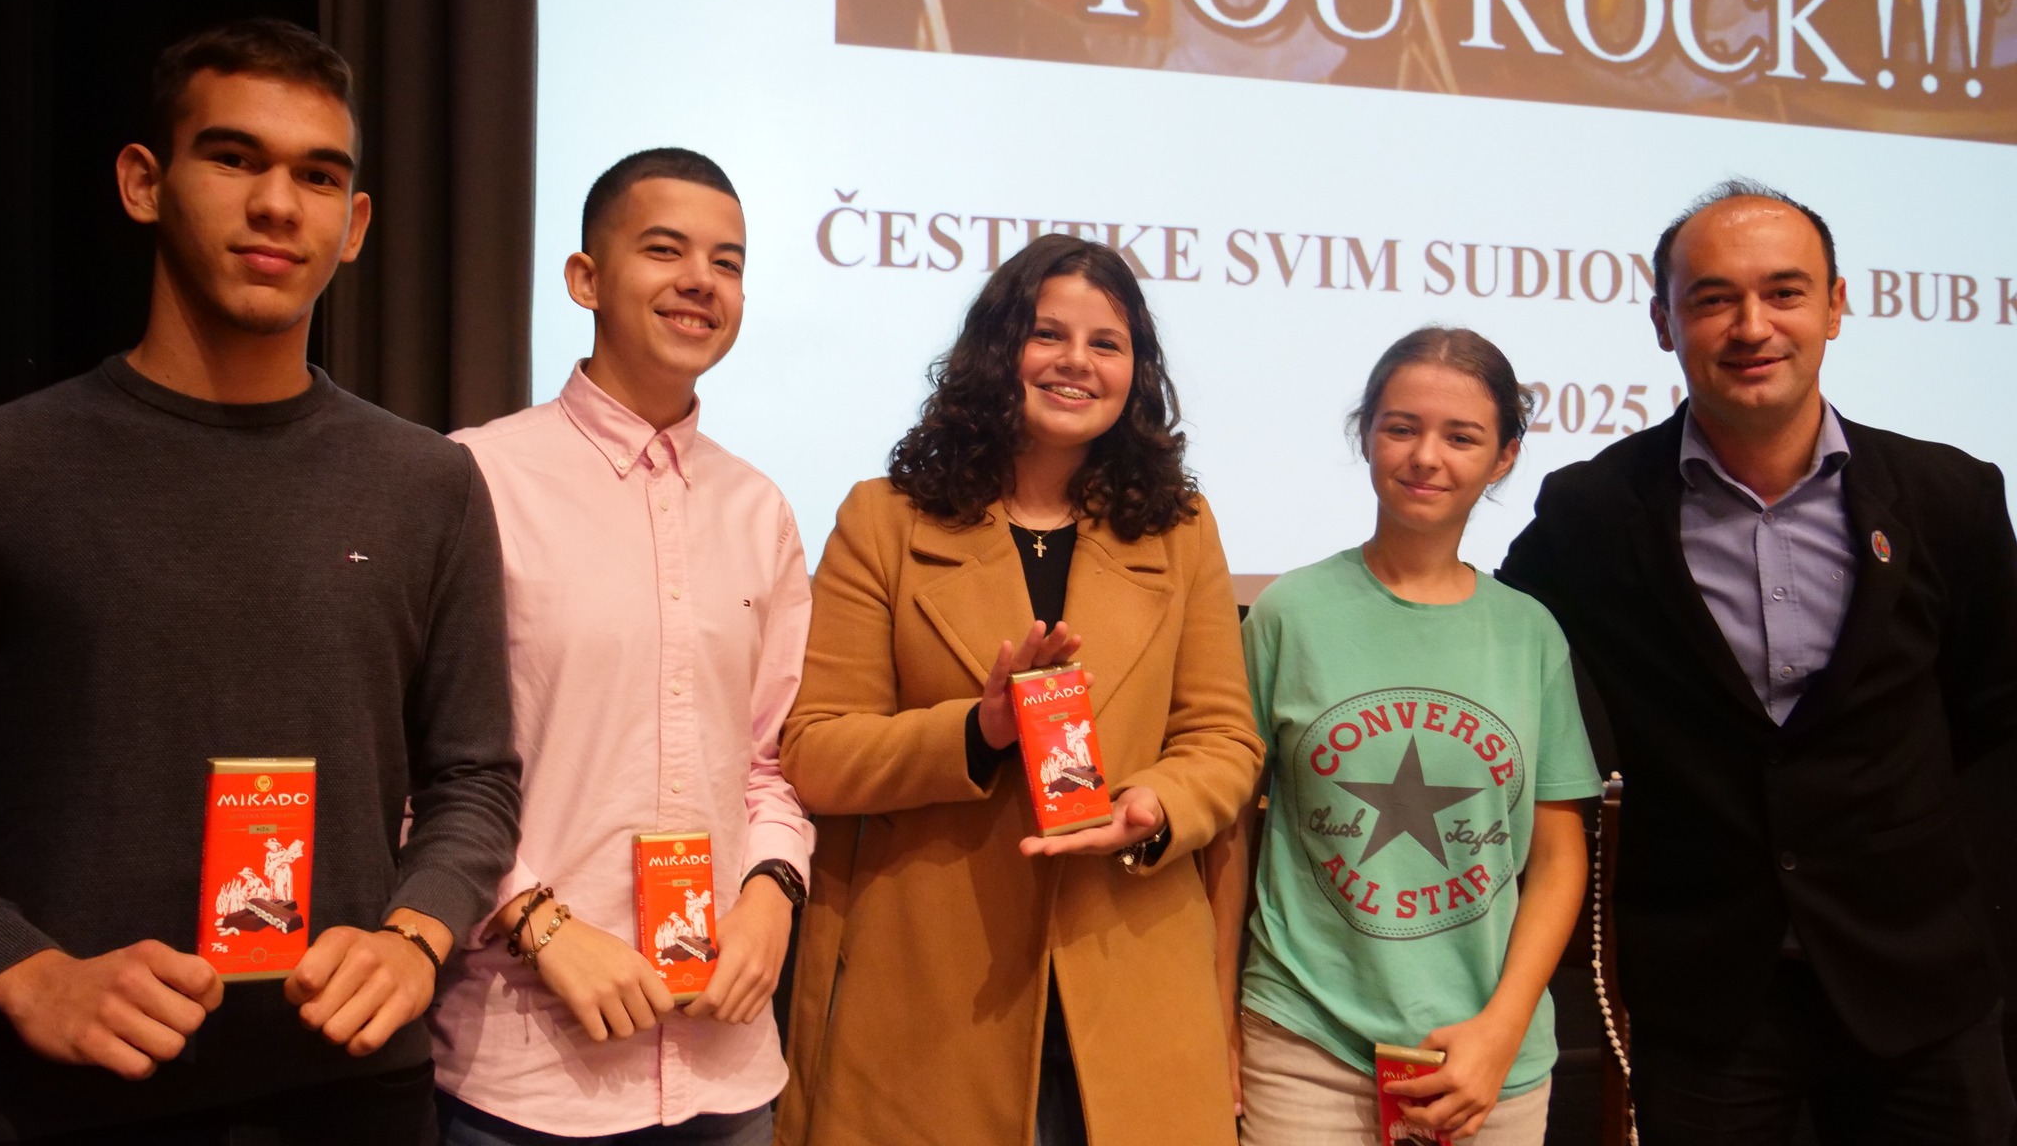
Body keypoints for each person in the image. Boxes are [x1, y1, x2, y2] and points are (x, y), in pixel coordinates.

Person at [0, 19, 522, 1145]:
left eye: (318, 176)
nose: (278, 204)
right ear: (144, 183)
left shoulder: (429, 483)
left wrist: (415, 936)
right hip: (68, 1100)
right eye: (234, 159)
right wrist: (22, 971)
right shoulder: (1, 469)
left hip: (354, 1096)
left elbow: (475, 779)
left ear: (353, 225)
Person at [1499, 179, 2017, 1143]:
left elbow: (1988, 711)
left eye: (1785, 292)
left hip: (1919, 981)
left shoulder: (1949, 495)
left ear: (1836, 306)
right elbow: (1498, 655)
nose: (1752, 327)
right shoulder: (1592, 513)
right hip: (1708, 993)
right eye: (1712, 298)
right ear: (1663, 322)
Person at [771, 234, 1262, 1146]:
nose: (1077, 361)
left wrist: (1156, 805)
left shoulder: (1181, 529)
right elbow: (816, 750)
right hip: (935, 993)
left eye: (1107, 343)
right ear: (998, 350)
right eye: (1048, 334)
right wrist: (978, 729)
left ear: (1136, 373)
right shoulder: (884, 519)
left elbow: (1224, 739)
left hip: (1132, 977)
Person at [429, 148, 813, 1146]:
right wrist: (539, 922)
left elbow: (769, 762)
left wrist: (772, 895)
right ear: (585, 279)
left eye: (727, 262)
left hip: (726, 1073)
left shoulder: (760, 509)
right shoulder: (474, 479)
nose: (701, 281)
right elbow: (416, 768)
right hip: (527, 1074)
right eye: (665, 250)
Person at [1221, 327, 1600, 1145]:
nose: (1426, 456)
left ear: (1503, 457)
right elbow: (1230, 834)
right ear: (1366, 434)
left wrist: (1502, 1030)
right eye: (1401, 427)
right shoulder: (1287, 614)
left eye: (1461, 436)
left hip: (1486, 1060)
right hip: (1303, 1044)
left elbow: (1558, 855)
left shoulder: (1531, 633)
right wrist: (1217, 1017)